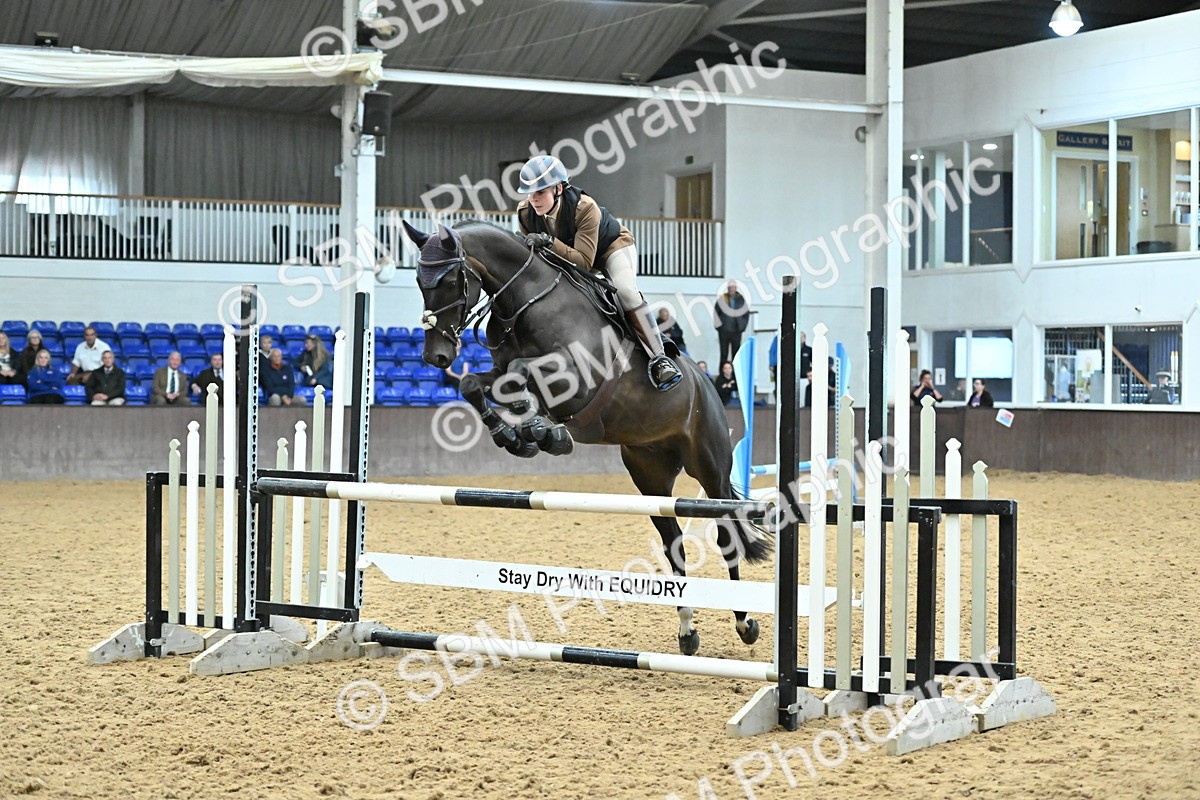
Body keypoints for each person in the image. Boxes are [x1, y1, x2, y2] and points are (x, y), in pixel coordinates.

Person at [515, 154, 682, 392]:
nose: (533, 199)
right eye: (529, 193)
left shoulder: (585, 208)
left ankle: (659, 358)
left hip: (611, 248)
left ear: (559, 188)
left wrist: (550, 241)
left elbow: (583, 263)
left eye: (540, 192)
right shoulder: (525, 213)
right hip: (569, 256)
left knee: (625, 292)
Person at [714, 280, 750, 364]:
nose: (732, 289)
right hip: (724, 330)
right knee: (723, 353)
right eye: (730, 287)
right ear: (728, 288)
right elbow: (716, 313)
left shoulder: (741, 299)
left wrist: (742, 326)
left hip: (736, 330)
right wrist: (719, 327)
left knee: (736, 353)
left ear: (736, 288)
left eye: (733, 287)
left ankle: (735, 374)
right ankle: (723, 374)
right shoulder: (722, 298)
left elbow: (746, 314)